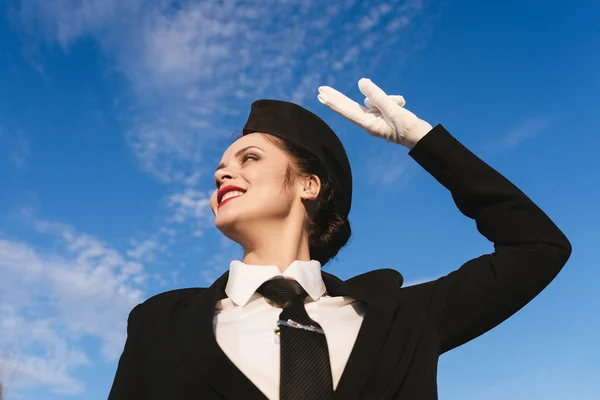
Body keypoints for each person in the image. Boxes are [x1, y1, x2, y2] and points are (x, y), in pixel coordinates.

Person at [107, 79, 571, 400]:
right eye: (220, 168)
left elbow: (536, 247)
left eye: (249, 158)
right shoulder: (160, 324)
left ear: (309, 185)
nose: (223, 172)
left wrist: (423, 141)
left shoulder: (401, 320)